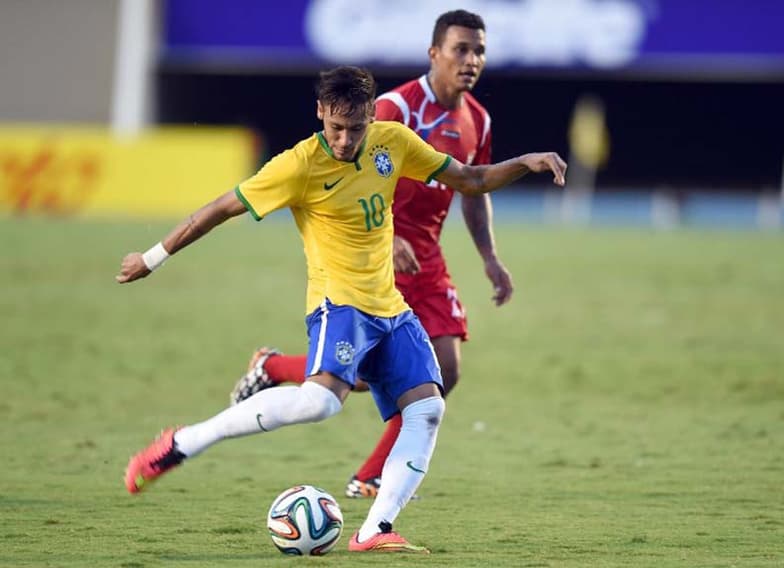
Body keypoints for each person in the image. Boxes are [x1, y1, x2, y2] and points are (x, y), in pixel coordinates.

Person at [118, 65, 566, 554]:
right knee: (321, 403)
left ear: (372, 115)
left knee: (429, 408)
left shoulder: (392, 141)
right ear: (320, 114)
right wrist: (151, 258)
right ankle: (182, 442)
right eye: (336, 127)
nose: (346, 139)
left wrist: (526, 161)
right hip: (339, 304)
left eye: (356, 127)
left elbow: (471, 179)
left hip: (390, 306)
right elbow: (219, 209)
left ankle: (374, 529)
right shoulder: (298, 165)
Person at [229, 9, 509, 500]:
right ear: (435, 53)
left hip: (428, 257)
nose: (471, 60)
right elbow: (356, 173)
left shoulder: (477, 120)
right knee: (357, 376)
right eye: (461, 49)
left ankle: (370, 473)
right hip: (376, 253)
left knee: (445, 370)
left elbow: (472, 186)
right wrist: (389, 232)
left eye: (479, 50)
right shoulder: (396, 108)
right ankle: (274, 368)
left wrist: (489, 256)